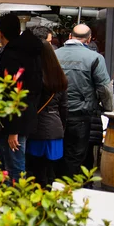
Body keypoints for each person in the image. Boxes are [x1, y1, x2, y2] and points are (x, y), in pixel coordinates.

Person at [55, 24, 114, 179]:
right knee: (75, 156)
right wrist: (109, 109)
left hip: (55, 115)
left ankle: (54, 191)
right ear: (88, 39)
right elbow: (104, 89)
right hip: (80, 115)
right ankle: (69, 193)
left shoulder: (54, 54)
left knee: (56, 155)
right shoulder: (95, 58)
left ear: (69, 36)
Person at [0, 14, 43, 183]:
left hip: (16, 119)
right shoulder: (31, 51)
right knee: (13, 164)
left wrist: (13, 129)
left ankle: (15, 204)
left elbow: (13, 91)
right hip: (27, 114)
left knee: (14, 166)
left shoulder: (12, 55)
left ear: (0, 33)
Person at [26, 40, 68, 187]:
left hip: (37, 128)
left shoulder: (33, 76)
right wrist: (62, 128)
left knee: (36, 172)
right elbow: (64, 107)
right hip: (55, 128)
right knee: (50, 172)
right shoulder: (59, 76)